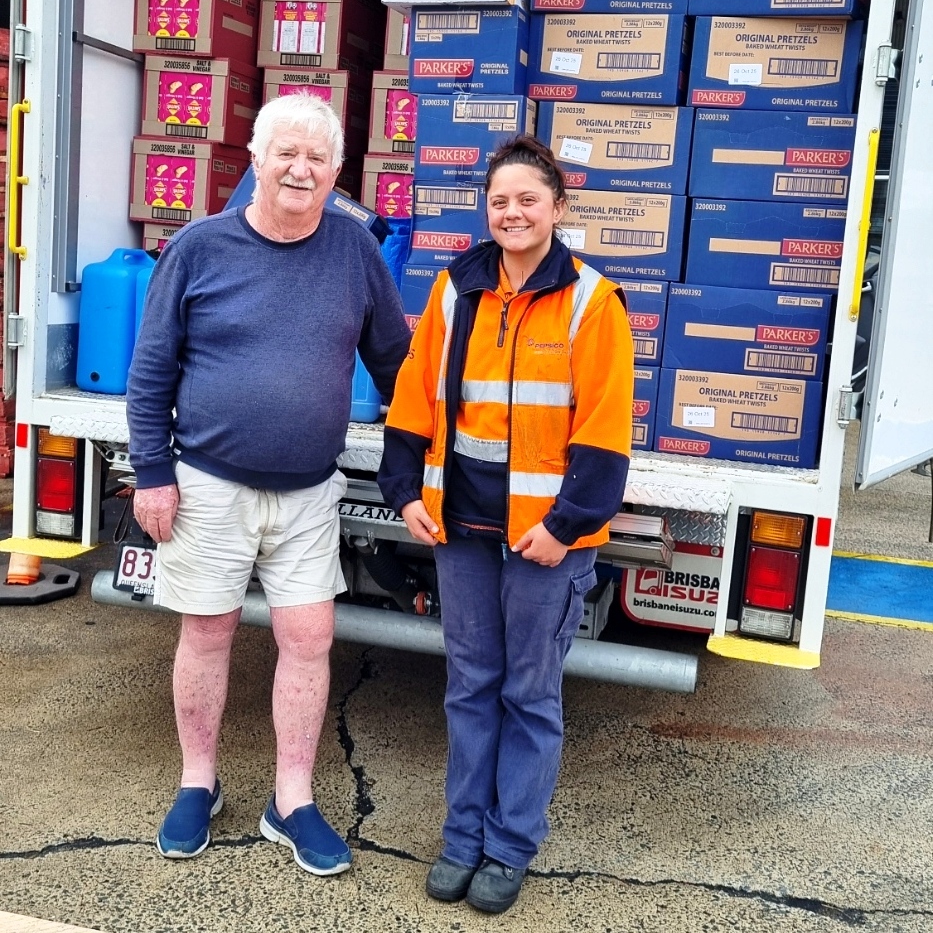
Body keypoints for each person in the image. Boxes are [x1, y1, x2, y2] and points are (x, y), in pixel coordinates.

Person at [127, 94, 410, 875]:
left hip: (309, 492)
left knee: (309, 641)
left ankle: (291, 801)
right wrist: (152, 473)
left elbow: (396, 365)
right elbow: (150, 371)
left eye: (317, 158)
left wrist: (430, 453)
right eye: (286, 153)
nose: (300, 169)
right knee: (206, 635)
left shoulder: (355, 253)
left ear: (336, 172)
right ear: (255, 160)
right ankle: (197, 783)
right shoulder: (199, 248)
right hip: (207, 485)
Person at [377, 135, 634, 914]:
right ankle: (461, 838)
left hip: (543, 540)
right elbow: (415, 392)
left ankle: (509, 845)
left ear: (558, 207)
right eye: (498, 201)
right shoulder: (455, 290)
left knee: (529, 692)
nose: (512, 213)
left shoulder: (591, 301)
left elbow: (604, 429)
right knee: (469, 686)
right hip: (460, 527)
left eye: (528, 199)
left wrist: (566, 525)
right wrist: (403, 489)